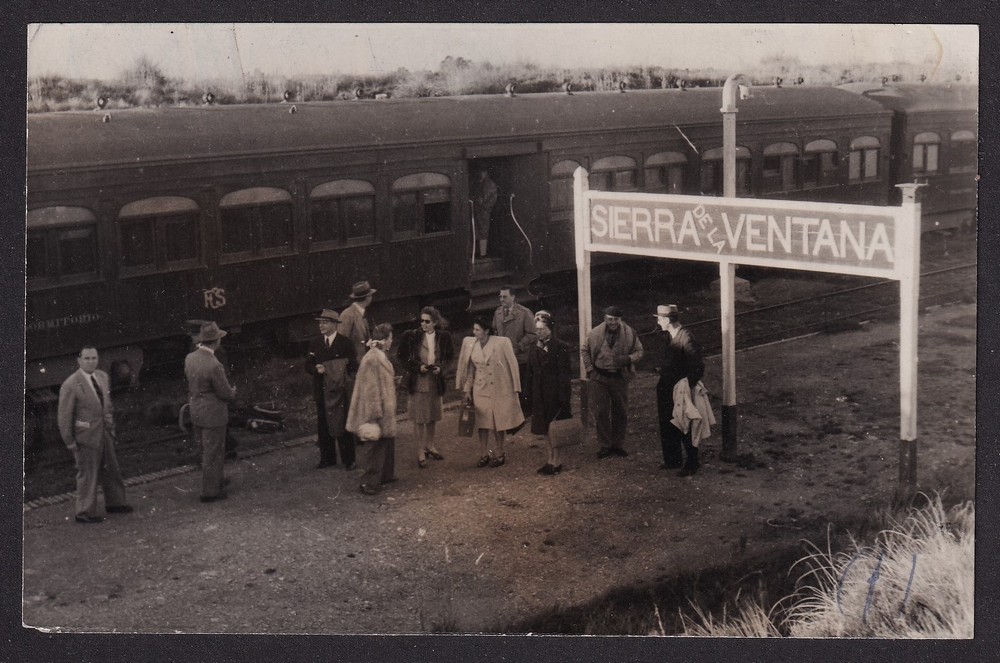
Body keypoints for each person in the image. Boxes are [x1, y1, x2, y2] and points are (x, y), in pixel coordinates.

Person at [57, 346, 132, 523]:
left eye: (94, 358)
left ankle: (116, 503)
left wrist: (111, 428)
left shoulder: (103, 377)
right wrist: (69, 441)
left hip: (104, 432)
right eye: (87, 358)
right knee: (88, 474)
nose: (91, 362)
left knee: (112, 469)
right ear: (79, 361)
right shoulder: (71, 384)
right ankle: (84, 512)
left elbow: (107, 405)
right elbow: (64, 416)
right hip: (85, 436)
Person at [456, 317, 524, 468]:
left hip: (498, 388)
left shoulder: (500, 343)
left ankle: (500, 452)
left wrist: (515, 387)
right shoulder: (472, 345)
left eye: (477, 329)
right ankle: (483, 453)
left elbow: (512, 364)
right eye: (474, 329)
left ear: (486, 331)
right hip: (480, 388)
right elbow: (470, 370)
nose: (474, 332)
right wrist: (467, 390)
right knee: (483, 422)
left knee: (498, 421)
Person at [581, 305, 644, 459]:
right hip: (599, 377)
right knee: (601, 411)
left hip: (619, 377)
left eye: (616, 319)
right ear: (605, 319)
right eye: (610, 319)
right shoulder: (595, 333)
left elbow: (640, 351)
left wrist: (628, 358)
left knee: (620, 411)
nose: (613, 322)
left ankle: (618, 445)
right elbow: (584, 350)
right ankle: (605, 445)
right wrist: (590, 369)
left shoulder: (630, 333)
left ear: (620, 319)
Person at [184, 322, 237, 502]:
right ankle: (210, 492)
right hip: (213, 412)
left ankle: (216, 480)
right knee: (214, 452)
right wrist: (233, 392)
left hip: (196, 409)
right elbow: (224, 392)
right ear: (216, 341)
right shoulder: (214, 364)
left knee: (205, 449)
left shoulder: (190, 358)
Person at [397, 306, 454, 468]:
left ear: (435, 322)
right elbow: (401, 357)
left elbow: (449, 358)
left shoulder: (443, 337)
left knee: (432, 415)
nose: (423, 324)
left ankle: (430, 445)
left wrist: (441, 369)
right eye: (421, 321)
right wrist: (417, 367)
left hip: (435, 382)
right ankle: (420, 450)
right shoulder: (412, 336)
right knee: (419, 417)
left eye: (427, 321)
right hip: (419, 382)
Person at [347, 324, 398, 495]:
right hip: (376, 410)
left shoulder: (378, 356)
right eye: (390, 338)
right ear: (384, 340)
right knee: (373, 447)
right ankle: (367, 482)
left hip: (384, 409)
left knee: (385, 443)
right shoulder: (373, 359)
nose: (392, 341)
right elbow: (371, 391)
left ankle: (385, 475)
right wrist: (373, 415)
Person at [654, 304, 706, 476]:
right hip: (666, 387)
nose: (658, 322)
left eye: (660, 319)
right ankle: (673, 459)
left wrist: (685, 386)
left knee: (685, 423)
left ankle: (692, 463)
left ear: (668, 320)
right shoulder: (669, 336)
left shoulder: (686, 338)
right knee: (668, 423)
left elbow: (698, 367)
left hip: (680, 390)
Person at [305, 309, 358, 470]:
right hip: (321, 390)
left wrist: (338, 370)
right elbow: (307, 365)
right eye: (320, 323)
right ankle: (327, 459)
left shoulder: (345, 343)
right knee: (323, 424)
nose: (321, 326)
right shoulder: (315, 343)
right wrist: (316, 369)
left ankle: (349, 460)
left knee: (343, 423)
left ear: (334, 324)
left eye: (325, 323)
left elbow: (353, 365)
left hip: (340, 391)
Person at [523, 311, 573, 476]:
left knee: (554, 427)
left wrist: (564, 397)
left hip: (554, 394)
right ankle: (549, 459)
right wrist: (528, 394)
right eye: (537, 329)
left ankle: (557, 461)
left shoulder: (560, 347)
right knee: (544, 428)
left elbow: (564, 375)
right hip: (539, 394)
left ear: (550, 329)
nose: (539, 332)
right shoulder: (533, 348)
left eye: (542, 329)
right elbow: (530, 373)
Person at [492, 285, 536, 418]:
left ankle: (526, 413)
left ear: (513, 297)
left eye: (504, 296)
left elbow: (533, 334)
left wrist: (520, 346)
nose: (501, 299)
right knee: (508, 385)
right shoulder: (498, 313)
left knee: (522, 385)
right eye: (500, 296)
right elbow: (495, 331)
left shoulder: (524, 312)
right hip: (503, 358)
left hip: (520, 357)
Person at [339, 280, 377, 361]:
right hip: (354, 363)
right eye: (371, 295)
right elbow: (341, 343)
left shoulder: (361, 313)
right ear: (368, 297)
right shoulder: (348, 315)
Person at [470, 168, 498, 257]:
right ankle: (477, 252)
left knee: (483, 231)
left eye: (482, 171)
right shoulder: (477, 183)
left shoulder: (490, 184)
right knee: (477, 230)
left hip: (484, 212)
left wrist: (485, 206)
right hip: (476, 210)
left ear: (486, 172)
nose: (480, 173)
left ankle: (483, 253)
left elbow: (493, 198)